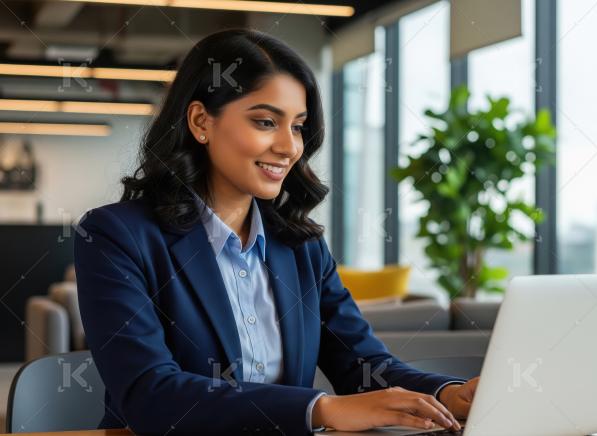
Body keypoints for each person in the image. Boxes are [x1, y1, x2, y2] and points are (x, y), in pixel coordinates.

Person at [74, 28, 479, 435]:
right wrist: (321, 409)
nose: (289, 147)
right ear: (201, 121)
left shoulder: (300, 245)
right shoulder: (116, 236)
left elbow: (363, 365)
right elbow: (151, 395)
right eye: (266, 122)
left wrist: (447, 394)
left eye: (299, 126)